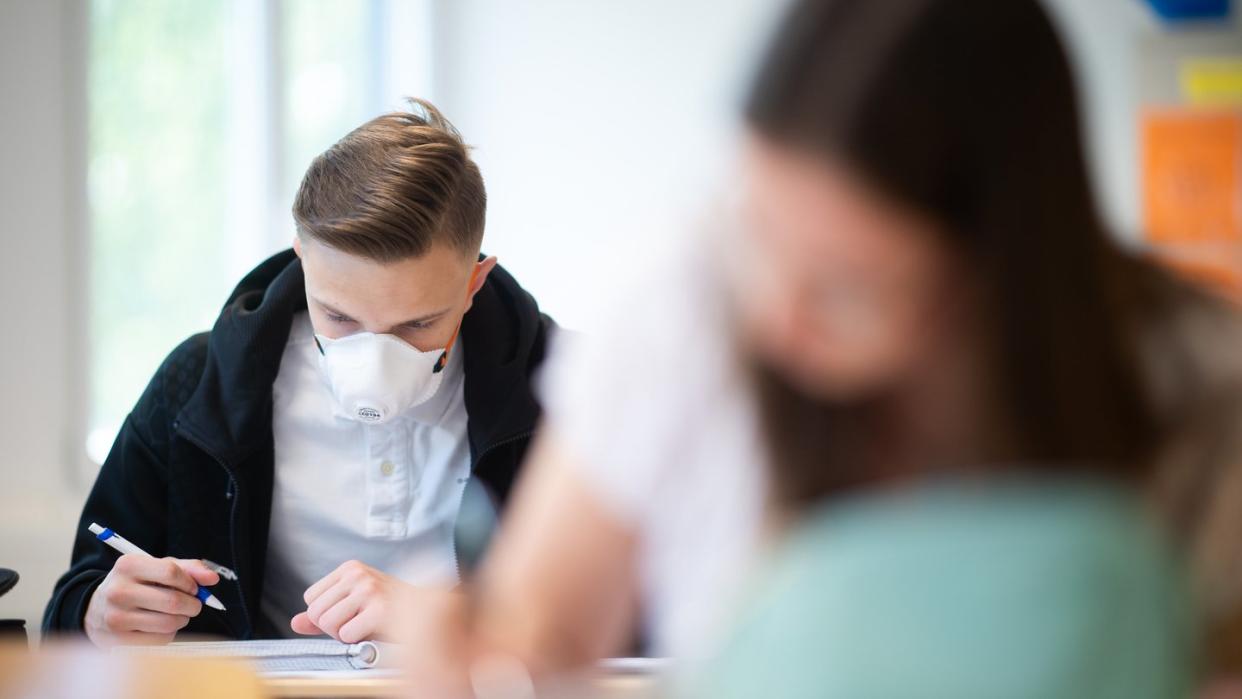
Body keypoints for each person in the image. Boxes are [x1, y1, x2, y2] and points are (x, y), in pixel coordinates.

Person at [399, 0, 1242, 693]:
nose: (776, 316)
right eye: (758, 234)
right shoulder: (687, 308)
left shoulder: (1191, 371)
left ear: (1001, 271)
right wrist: (474, 660)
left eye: (847, 286)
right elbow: (541, 625)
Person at [43, 100, 557, 646]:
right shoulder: (198, 386)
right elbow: (67, 609)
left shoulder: (564, 386)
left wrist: (448, 618)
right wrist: (97, 611)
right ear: (303, 259)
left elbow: (641, 614)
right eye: (338, 316)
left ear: (474, 283)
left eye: (418, 324)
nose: (376, 358)